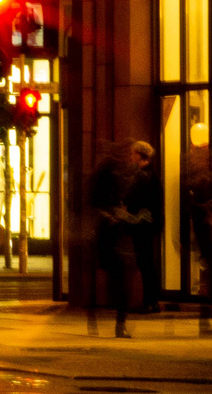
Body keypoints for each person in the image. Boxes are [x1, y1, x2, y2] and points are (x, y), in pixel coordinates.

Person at [91, 140, 141, 338]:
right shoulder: (108, 175)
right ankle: (119, 322)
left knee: (117, 279)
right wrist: (112, 215)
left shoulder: (115, 173)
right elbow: (97, 203)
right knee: (119, 279)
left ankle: (115, 320)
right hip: (110, 232)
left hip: (113, 232)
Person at [126, 141, 161, 313]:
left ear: (140, 155)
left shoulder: (143, 176)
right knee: (147, 264)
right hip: (148, 225)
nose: (131, 156)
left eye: (133, 153)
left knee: (145, 264)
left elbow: (135, 200)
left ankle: (150, 301)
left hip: (142, 225)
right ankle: (151, 301)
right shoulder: (151, 174)